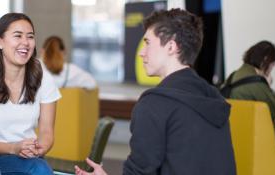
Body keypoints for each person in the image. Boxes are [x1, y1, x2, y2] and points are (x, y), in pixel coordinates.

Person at [76, 9, 236, 175]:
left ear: (171, 46)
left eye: (147, 42)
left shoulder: (155, 104)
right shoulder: (214, 98)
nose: (141, 52)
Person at [0, 13, 61, 175]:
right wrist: (13, 148)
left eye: (30, 37)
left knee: (38, 167)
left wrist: (38, 148)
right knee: (39, 169)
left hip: (30, 159)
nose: (25, 43)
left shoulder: (44, 78)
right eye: (17, 36)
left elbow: (46, 131)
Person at [222, 41, 275, 146]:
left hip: (237, 131)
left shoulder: (234, 76)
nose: (271, 70)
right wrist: (268, 84)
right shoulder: (256, 82)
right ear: (265, 60)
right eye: (272, 65)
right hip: (257, 134)